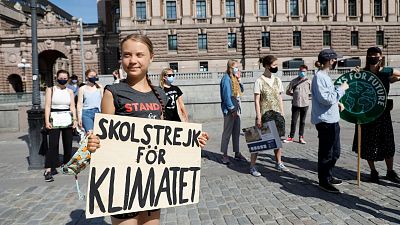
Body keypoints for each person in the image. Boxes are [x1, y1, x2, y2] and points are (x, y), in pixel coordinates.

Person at [85, 34, 209, 225]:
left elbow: (164, 135)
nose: (133, 60)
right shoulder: (113, 92)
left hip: (152, 179)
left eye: (139, 55)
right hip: (122, 181)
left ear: (151, 57)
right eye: (127, 55)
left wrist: (191, 141)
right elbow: (104, 137)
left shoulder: (160, 94)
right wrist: (94, 142)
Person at [352, 47, 400, 184]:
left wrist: (392, 77)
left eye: (376, 55)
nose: (373, 57)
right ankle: (373, 171)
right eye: (370, 55)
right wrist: (355, 74)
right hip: (367, 114)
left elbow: (398, 75)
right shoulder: (363, 72)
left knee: (387, 143)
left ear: (380, 57)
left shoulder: (385, 72)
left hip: (383, 113)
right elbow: (353, 86)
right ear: (367, 57)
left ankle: (390, 171)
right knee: (368, 144)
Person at [311, 49, 349, 193]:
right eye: (335, 60)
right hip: (325, 120)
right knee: (327, 152)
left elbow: (329, 96)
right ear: (331, 61)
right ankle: (324, 180)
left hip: (332, 118)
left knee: (335, 151)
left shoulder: (324, 76)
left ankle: (329, 174)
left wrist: (337, 102)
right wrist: (342, 89)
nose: (336, 62)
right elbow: (326, 98)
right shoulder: (320, 77)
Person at [250, 55, 289, 177]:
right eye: (274, 65)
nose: (276, 67)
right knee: (257, 142)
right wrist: (259, 117)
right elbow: (257, 100)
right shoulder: (259, 81)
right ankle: (252, 166)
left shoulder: (277, 80)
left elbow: (279, 97)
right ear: (267, 66)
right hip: (264, 114)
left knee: (278, 140)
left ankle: (279, 162)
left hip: (277, 114)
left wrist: (282, 113)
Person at [43, 69, 77, 182]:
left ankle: (66, 165)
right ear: (56, 78)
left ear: (68, 79)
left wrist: (75, 120)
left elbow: (72, 106)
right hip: (54, 118)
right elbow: (47, 106)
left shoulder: (70, 91)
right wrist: (47, 121)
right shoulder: (51, 89)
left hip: (67, 117)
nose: (63, 80)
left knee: (68, 143)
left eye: (65, 78)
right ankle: (49, 169)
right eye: (61, 78)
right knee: (53, 144)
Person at [219, 59, 247, 164]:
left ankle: (237, 152)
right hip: (230, 109)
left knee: (236, 132)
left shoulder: (235, 78)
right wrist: (232, 110)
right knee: (227, 132)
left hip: (237, 107)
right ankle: (224, 155)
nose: (237, 69)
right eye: (236, 67)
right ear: (230, 67)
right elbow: (226, 96)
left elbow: (241, 90)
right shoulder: (226, 79)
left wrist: (239, 79)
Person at [285, 65, 311, 144]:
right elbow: (287, 91)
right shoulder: (293, 81)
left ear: (306, 72)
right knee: (294, 121)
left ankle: (301, 137)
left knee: (302, 122)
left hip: (305, 104)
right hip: (295, 104)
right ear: (298, 71)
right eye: (301, 71)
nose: (302, 73)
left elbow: (312, 92)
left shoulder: (309, 82)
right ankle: (291, 137)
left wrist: (306, 96)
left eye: (304, 71)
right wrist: (294, 95)